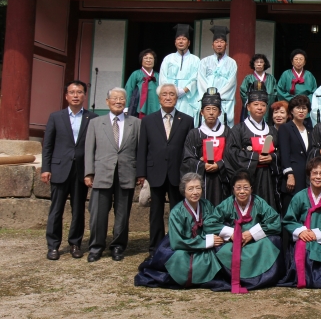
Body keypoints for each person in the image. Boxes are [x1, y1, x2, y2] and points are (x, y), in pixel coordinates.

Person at [134, 173, 225, 290]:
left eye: (198, 188)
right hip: (182, 245)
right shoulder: (177, 212)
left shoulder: (207, 205)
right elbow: (177, 241)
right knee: (180, 257)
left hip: (205, 243)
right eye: (190, 189)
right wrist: (205, 242)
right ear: (184, 191)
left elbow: (214, 225)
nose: (195, 192)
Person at [136, 83, 195, 257]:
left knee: (178, 211)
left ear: (177, 98)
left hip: (178, 173)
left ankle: (177, 244)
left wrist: (188, 173)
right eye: (165, 94)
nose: (168, 97)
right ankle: (155, 248)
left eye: (172, 94)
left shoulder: (187, 120)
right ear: (159, 98)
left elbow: (189, 149)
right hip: (155, 172)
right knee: (156, 212)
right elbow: (142, 148)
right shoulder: (148, 121)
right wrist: (141, 173)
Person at [42, 81, 98, 260]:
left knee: (78, 209)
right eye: (72, 92)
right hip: (60, 168)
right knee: (56, 209)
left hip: (81, 170)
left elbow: (95, 147)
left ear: (84, 96)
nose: (75, 95)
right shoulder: (55, 117)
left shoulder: (92, 118)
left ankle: (75, 243)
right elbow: (48, 145)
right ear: (66, 96)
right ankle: (53, 245)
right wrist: (46, 168)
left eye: (79, 92)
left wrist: (91, 171)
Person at [84, 87, 141, 262]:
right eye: (114, 98)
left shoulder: (135, 123)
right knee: (98, 213)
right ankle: (96, 247)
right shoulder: (96, 123)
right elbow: (89, 149)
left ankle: (118, 246)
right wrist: (89, 172)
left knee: (122, 213)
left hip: (126, 172)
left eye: (121, 98)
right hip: (102, 173)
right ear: (107, 101)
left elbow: (140, 150)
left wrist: (140, 173)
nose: (118, 101)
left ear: (126, 101)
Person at [204, 171, 285, 293]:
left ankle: (263, 278)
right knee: (217, 244)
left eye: (246, 188)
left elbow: (275, 223)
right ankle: (233, 277)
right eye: (238, 188)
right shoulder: (227, 204)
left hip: (255, 243)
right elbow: (209, 223)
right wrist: (231, 233)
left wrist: (252, 233)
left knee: (275, 240)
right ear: (233, 189)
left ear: (251, 189)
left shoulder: (259, 203)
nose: (242, 191)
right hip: (233, 243)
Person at [279, 157, 321, 289]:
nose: (318, 177)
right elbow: (289, 220)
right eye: (314, 173)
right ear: (309, 174)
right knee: (306, 252)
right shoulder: (299, 196)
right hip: (304, 237)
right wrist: (301, 232)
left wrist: (315, 234)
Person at [226, 81, 280, 212]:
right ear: (248, 107)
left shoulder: (272, 130)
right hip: (248, 178)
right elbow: (231, 153)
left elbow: (280, 152)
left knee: (268, 209)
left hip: (268, 178)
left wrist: (272, 157)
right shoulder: (239, 129)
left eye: (263, 105)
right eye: (256, 104)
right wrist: (255, 158)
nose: (260, 108)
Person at [181, 88, 233, 205]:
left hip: (222, 180)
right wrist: (202, 165)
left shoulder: (227, 132)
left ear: (220, 113)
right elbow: (187, 159)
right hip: (202, 179)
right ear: (201, 112)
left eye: (214, 109)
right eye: (208, 109)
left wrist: (219, 165)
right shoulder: (195, 134)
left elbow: (232, 156)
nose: (211, 113)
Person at [277, 95, 312, 215]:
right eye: (298, 108)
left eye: (304, 108)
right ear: (291, 111)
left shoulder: (309, 129)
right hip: (293, 177)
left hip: (306, 177)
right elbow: (284, 153)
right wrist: (289, 175)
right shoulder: (285, 128)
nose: (301, 111)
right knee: (290, 212)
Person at [159, 24, 201, 122]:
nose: (181, 41)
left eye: (184, 39)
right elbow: (162, 78)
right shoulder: (168, 59)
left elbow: (196, 79)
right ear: (175, 42)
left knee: (186, 123)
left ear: (189, 42)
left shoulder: (195, 60)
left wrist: (184, 90)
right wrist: (172, 91)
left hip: (188, 99)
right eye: (178, 39)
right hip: (170, 97)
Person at [197, 26, 238, 127]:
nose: (219, 44)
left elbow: (231, 84)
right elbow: (201, 81)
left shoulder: (232, 63)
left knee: (224, 129)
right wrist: (210, 96)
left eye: (222, 42)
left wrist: (218, 96)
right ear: (212, 45)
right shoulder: (204, 62)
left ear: (226, 45)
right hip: (207, 100)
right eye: (216, 42)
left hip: (224, 101)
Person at [240, 54, 278, 121]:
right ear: (253, 64)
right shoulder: (248, 78)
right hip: (253, 106)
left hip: (267, 106)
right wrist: (251, 101)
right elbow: (243, 92)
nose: (259, 64)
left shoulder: (271, 78)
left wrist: (270, 100)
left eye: (261, 62)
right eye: (257, 62)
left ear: (264, 64)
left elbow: (275, 92)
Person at [124, 49, 160, 118]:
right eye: (145, 58)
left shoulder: (158, 75)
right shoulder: (136, 74)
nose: (148, 60)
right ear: (141, 60)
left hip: (155, 106)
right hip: (138, 106)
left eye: (151, 58)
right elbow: (129, 90)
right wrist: (126, 107)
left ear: (154, 60)